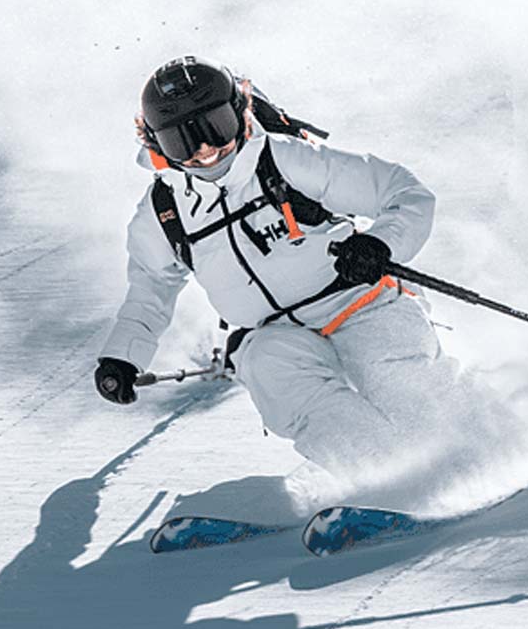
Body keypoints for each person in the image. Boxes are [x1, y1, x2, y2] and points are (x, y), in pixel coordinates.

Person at [95, 55, 467, 500]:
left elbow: (404, 193)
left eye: (216, 126)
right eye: (182, 140)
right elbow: (150, 289)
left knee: (402, 385)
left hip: (357, 301)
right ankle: (387, 482)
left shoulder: (285, 159)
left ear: (240, 112)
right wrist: (122, 357)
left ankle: (473, 450)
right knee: (277, 379)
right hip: (274, 334)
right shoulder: (163, 212)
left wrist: (378, 245)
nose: (205, 149)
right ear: (156, 142)